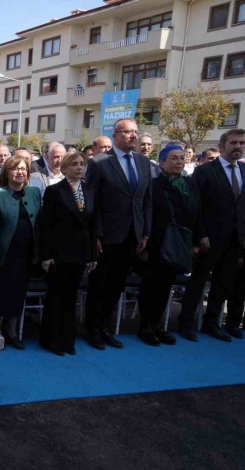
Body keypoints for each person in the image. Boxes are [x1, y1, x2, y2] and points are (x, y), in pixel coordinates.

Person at [84, 118, 153, 350]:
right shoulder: (100, 162)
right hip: (106, 236)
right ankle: (92, 329)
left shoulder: (144, 163)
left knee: (116, 286)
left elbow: (146, 202)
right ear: (115, 136)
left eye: (136, 132)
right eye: (128, 132)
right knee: (99, 285)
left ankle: (105, 327)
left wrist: (145, 233)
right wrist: (95, 234)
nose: (133, 136)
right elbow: (91, 202)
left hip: (132, 235)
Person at [177, 129, 245, 342]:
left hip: (235, 239)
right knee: (197, 283)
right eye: (234, 143)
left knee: (224, 283)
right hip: (209, 239)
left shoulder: (244, 170)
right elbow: (195, 206)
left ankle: (211, 322)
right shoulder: (205, 171)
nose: (238, 147)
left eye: (242, 143)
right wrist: (200, 235)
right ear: (223, 145)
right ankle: (186, 324)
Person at [136, 145, 202, 346]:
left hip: (179, 244)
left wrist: (198, 240)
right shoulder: (153, 185)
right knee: (150, 287)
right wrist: (144, 243)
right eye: (174, 158)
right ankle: (145, 326)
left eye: (182, 158)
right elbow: (145, 214)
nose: (179, 162)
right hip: (156, 244)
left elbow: (198, 214)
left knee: (165, 288)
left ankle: (157, 324)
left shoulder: (189, 185)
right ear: (162, 162)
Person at [38, 152, 97, 356]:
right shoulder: (55, 191)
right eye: (74, 164)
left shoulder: (89, 190)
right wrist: (45, 255)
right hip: (58, 253)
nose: (79, 168)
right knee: (56, 297)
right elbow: (46, 225)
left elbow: (92, 225)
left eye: (82, 164)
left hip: (80, 254)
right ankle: (51, 339)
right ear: (64, 168)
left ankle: (67, 339)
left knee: (71, 297)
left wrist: (92, 256)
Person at [0, 156, 40, 350]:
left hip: (26, 253)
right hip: (3, 253)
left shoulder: (34, 193)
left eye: (23, 169)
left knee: (18, 294)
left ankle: (13, 332)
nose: (20, 172)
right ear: (6, 172)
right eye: (15, 169)